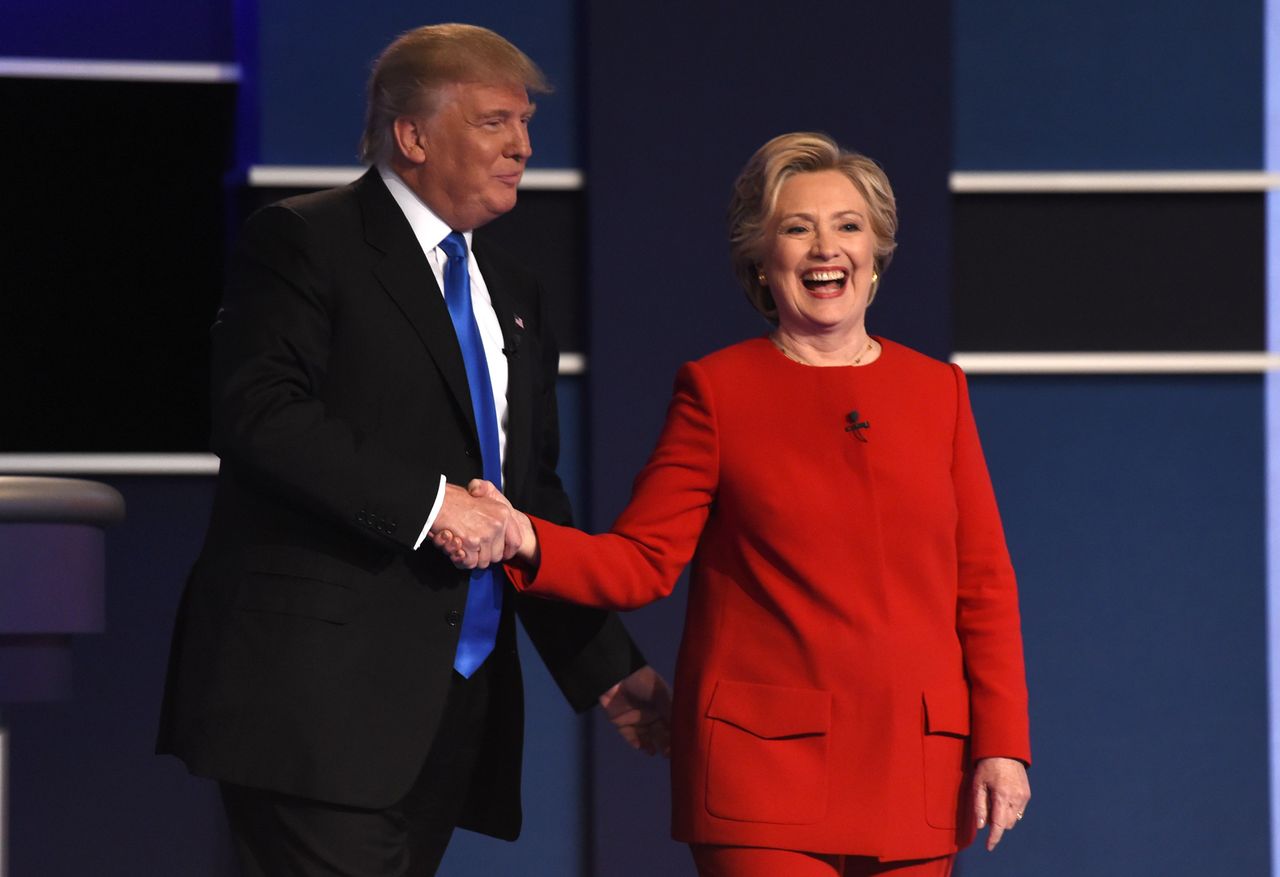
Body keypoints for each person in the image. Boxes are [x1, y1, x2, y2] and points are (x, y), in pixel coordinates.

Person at [441, 132, 1031, 877]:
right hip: (766, 778)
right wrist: (525, 535)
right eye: (796, 227)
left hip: (918, 769)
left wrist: (1002, 743)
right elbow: (643, 561)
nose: (826, 247)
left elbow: (983, 582)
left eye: (848, 225)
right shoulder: (719, 391)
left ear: (876, 252)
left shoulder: (936, 391)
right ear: (761, 257)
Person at [157, 23, 670, 877]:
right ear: (413, 135)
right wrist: (434, 508)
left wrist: (604, 667)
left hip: (444, 711)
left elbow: (527, 498)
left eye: (526, 124)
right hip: (315, 696)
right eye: (496, 122)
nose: (524, 146)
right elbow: (260, 414)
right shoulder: (304, 240)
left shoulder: (513, 291)